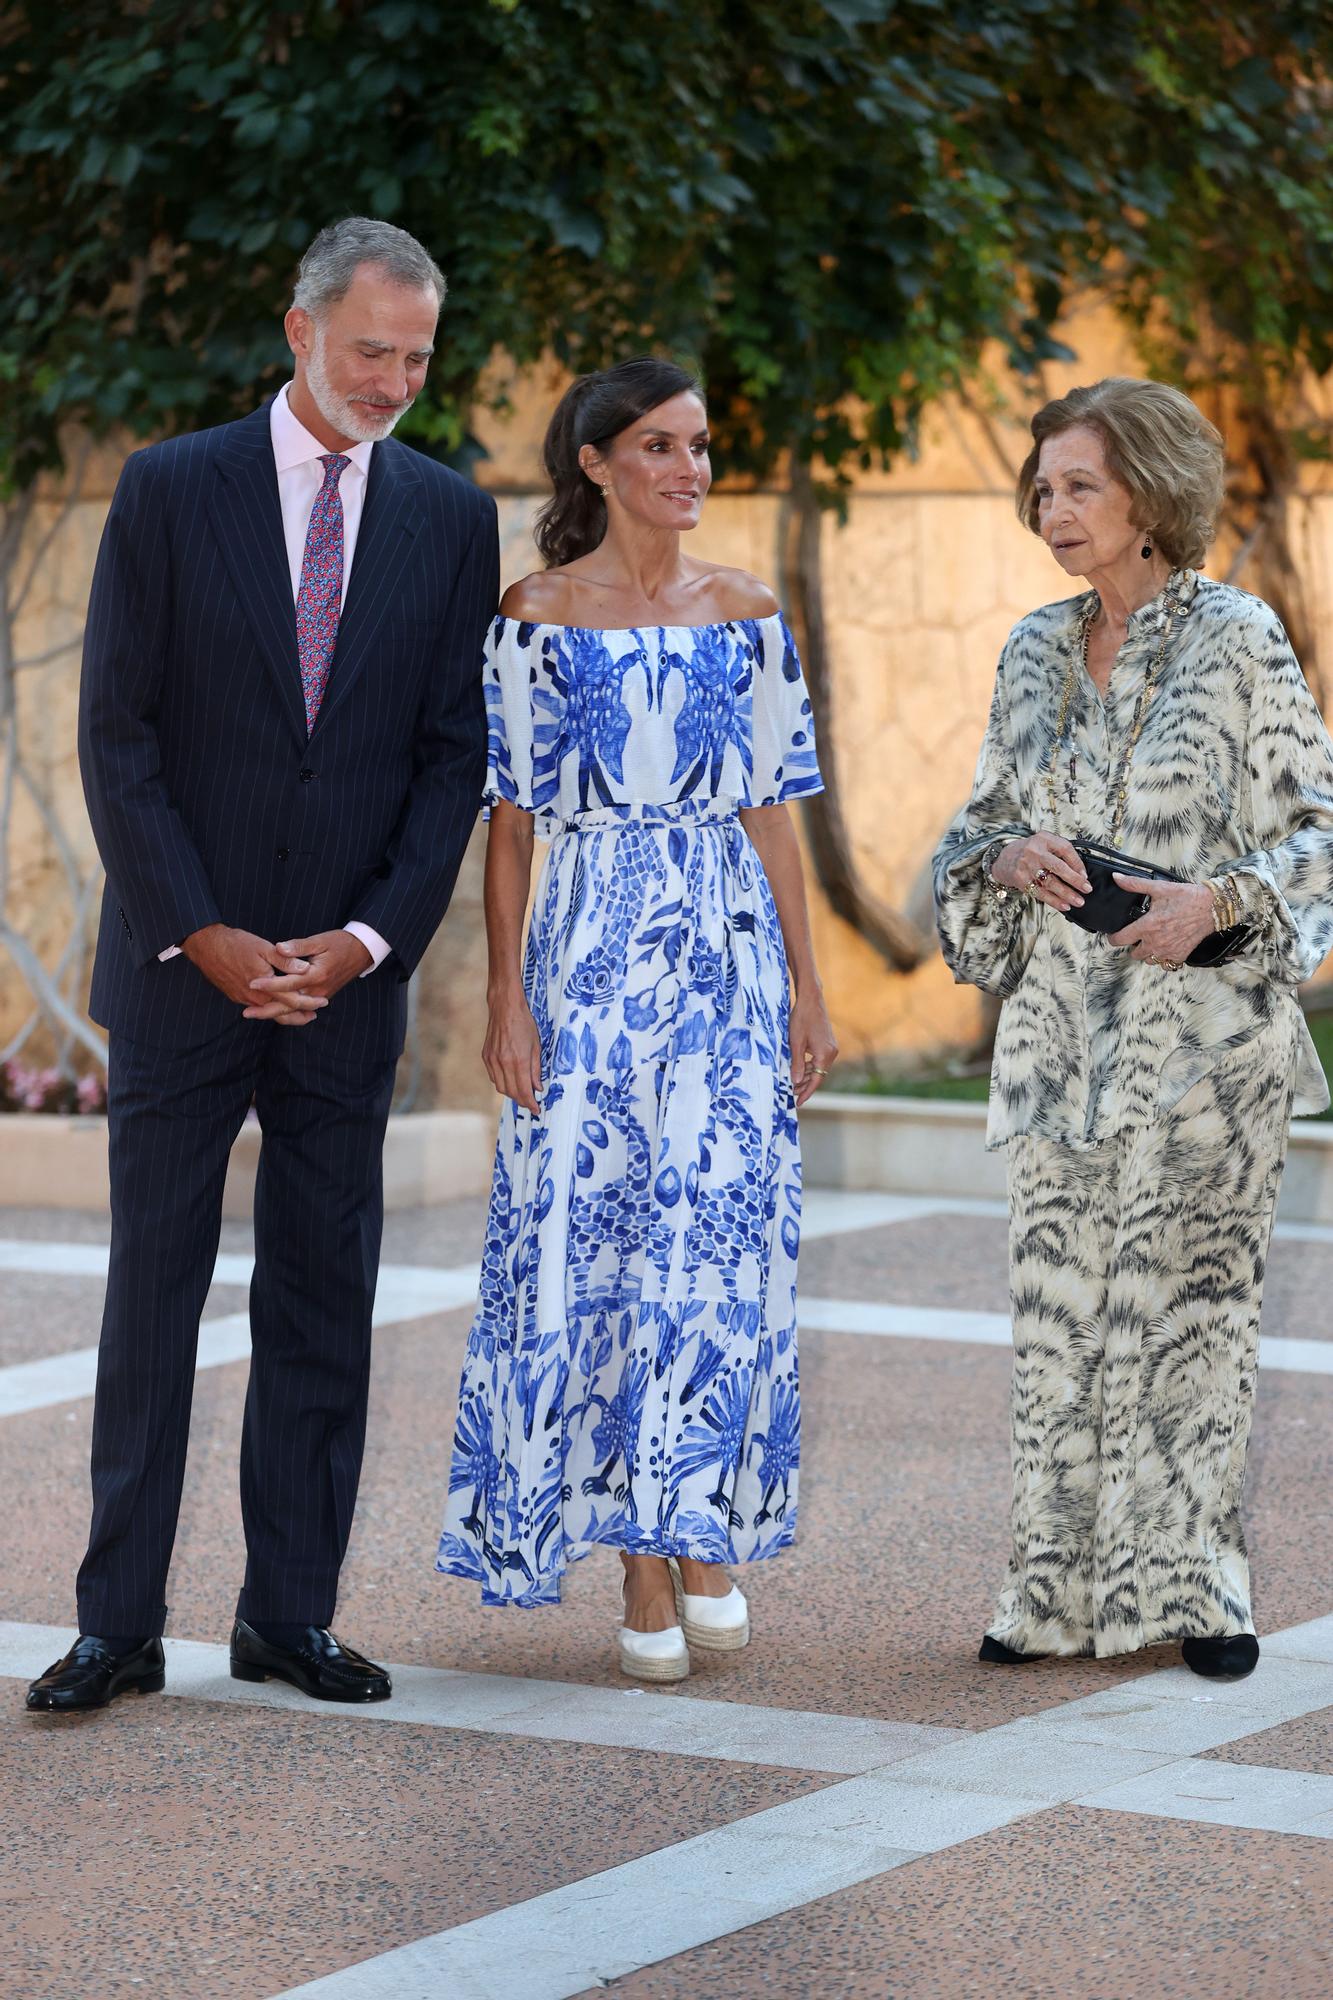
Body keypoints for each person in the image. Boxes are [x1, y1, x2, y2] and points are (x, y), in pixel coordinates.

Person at [26, 217, 497, 1714]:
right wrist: (208, 933)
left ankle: (286, 1615)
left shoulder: (447, 514)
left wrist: (362, 944)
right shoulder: (169, 490)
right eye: (371, 350)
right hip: (183, 969)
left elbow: (448, 760)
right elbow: (119, 734)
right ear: (297, 330)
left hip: (344, 987)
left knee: (320, 1297)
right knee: (151, 1295)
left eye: (418, 359)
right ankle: (118, 1625)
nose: (394, 382)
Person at [436, 358, 835, 1680]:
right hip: (587, 964)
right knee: (598, 1249)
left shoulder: (749, 609)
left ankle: (697, 1527)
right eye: (657, 448)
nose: (687, 471)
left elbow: (777, 817)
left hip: (726, 965)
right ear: (595, 463)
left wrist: (809, 988)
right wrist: (506, 997)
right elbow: (508, 831)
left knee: (715, 1252)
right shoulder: (536, 614)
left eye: (699, 446)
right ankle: (640, 1564)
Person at [934, 376, 1333, 1681]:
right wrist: (1007, 863)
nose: (1051, 509)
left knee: (1190, 1322)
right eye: (1042, 487)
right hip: (1057, 1040)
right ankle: (1045, 1592)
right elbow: (975, 826)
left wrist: (1213, 903)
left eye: (1078, 485)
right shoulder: (1032, 650)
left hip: (1204, 1046)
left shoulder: (1239, 640)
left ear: (1150, 492)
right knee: (1056, 1323)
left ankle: (1196, 1591)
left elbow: (1316, 837)